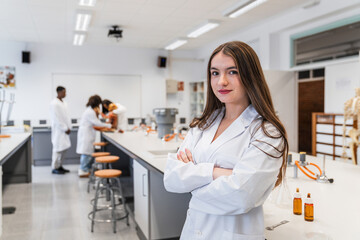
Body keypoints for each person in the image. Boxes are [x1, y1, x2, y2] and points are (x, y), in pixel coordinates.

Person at [164, 41, 288, 239]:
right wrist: (220, 173)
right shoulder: (203, 124)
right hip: (193, 231)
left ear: (251, 76)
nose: (221, 81)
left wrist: (192, 178)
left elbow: (241, 195)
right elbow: (171, 179)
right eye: (215, 73)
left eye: (232, 72)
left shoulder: (267, 132)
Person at [76, 95, 111, 177]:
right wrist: (108, 125)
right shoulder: (90, 112)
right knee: (86, 152)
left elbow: (96, 122)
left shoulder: (90, 110)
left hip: (87, 133)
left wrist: (99, 113)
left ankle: (86, 169)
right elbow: (97, 123)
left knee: (88, 152)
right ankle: (83, 170)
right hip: (86, 134)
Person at [49, 86, 71, 174]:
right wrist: (65, 128)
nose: (65, 94)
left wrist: (68, 127)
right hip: (59, 130)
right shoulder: (54, 103)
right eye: (64, 92)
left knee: (64, 149)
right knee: (57, 150)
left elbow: (66, 116)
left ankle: (60, 166)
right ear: (59, 92)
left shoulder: (64, 102)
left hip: (65, 130)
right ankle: (54, 167)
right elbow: (56, 118)